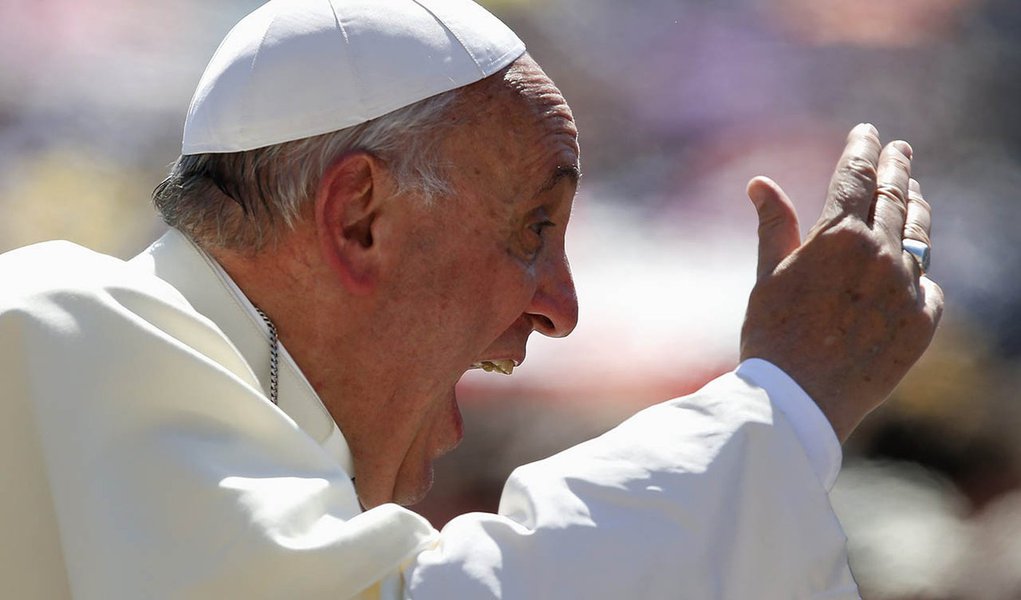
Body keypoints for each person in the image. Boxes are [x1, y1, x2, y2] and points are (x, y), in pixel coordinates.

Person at [0, 0, 941, 598]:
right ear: (358, 217)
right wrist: (778, 406)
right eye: (534, 228)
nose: (560, 309)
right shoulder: (55, 323)